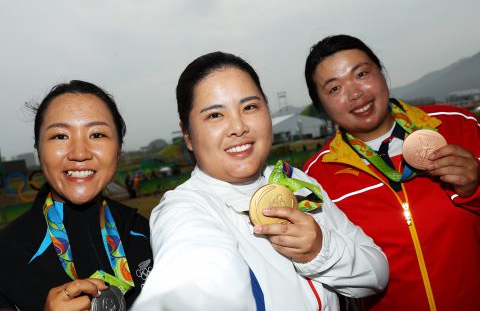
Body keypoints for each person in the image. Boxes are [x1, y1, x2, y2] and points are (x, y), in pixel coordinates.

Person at [132, 51, 389, 311]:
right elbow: (193, 279)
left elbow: (377, 273)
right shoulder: (184, 209)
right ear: (187, 135)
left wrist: (320, 250)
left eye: (249, 107)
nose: (238, 127)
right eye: (215, 115)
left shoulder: (297, 180)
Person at [303, 34, 480, 310]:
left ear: (382, 74)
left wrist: (475, 189)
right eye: (334, 89)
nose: (355, 94)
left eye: (361, 74)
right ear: (321, 107)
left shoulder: (459, 126)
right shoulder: (316, 178)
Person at [0, 80, 153, 310]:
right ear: (39, 150)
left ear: (119, 149)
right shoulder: (6, 254)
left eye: (97, 134)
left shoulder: (147, 233)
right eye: (60, 136)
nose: (79, 153)